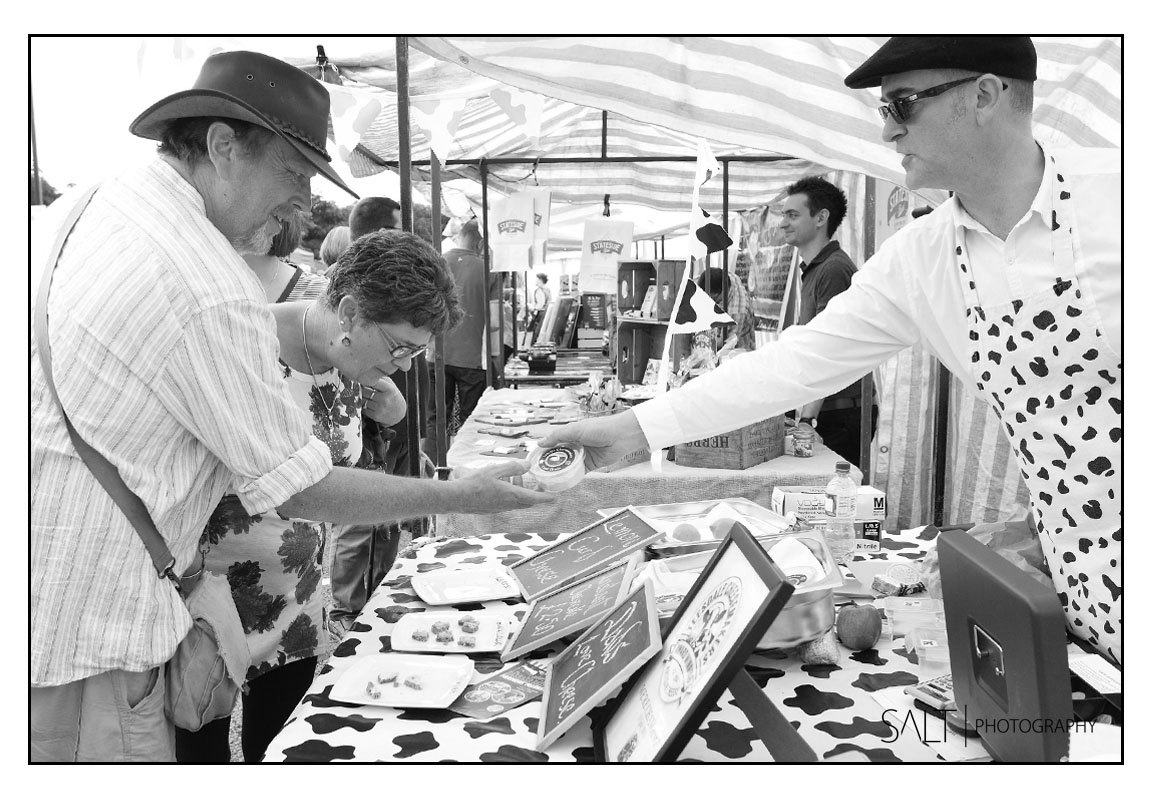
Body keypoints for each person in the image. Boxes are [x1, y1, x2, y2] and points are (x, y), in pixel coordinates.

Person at [31, 49, 548, 762]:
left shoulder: (94, 204)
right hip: (96, 632)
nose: (302, 202)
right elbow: (300, 486)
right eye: (294, 171)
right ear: (222, 147)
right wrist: (474, 494)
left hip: (58, 599)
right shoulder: (203, 281)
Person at [542, 36, 1120, 664]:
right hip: (1081, 592)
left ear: (985, 94)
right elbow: (791, 366)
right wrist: (634, 429)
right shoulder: (921, 257)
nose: (887, 133)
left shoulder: (1118, 201)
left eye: (902, 105)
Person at [176, 223, 430, 762]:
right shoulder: (248, 344)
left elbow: (369, 424)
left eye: (417, 352)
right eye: (401, 347)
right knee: (200, 753)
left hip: (299, 596)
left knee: (279, 747)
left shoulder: (350, 358)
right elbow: (292, 485)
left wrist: (390, 399)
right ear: (351, 312)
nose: (406, 363)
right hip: (213, 596)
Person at [326, 195, 431, 639]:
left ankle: (369, 599)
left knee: (383, 519)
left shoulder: (394, 295)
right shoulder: (343, 304)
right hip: (363, 436)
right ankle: (350, 606)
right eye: (397, 228)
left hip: (388, 423)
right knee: (362, 517)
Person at [778, 176, 876, 467]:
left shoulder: (834, 269)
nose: (783, 223)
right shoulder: (814, 268)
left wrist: (809, 418)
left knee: (832, 499)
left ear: (821, 218)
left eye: (793, 215)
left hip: (839, 413)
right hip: (829, 409)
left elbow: (828, 349)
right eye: (784, 215)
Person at [426, 218, 500, 459]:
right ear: (480, 241)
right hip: (473, 357)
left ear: (460, 235)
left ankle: (435, 468)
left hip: (437, 352)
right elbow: (496, 321)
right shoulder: (489, 268)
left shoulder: (437, 263)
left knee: (437, 417)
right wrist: (496, 358)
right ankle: (469, 466)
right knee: (472, 418)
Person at [696, 267, 756, 353]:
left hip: (738, 351)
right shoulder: (727, 278)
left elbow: (727, 344)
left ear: (722, 292)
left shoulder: (737, 311)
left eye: (711, 298)